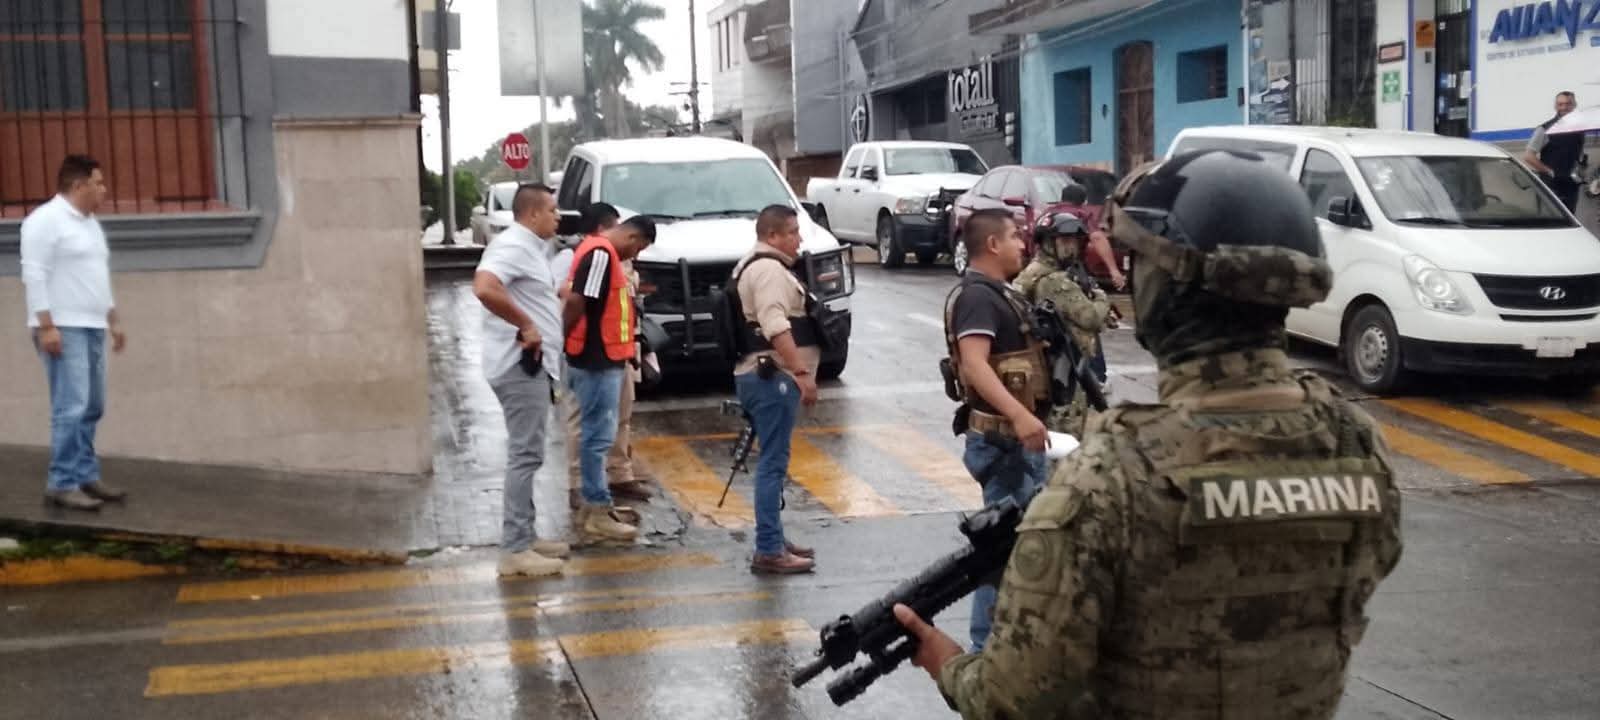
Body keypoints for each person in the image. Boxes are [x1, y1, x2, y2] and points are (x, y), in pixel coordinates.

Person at [894, 150, 1405, 718]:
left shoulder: (1112, 478)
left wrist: (944, 660)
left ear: (1165, 287)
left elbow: (1012, 698)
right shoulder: (1356, 444)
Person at [942, 208, 1051, 650]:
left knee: (1020, 549)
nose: (1022, 244)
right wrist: (1019, 415)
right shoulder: (977, 298)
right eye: (1014, 236)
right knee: (1002, 550)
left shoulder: (1000, 294)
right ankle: (984, 648)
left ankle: (1005, 645)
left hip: (1017, 442)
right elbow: (974, 364)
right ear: (992, 244)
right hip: (1004, 442)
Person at [473, 183, 572, 577]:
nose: (558, 217)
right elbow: (484, 287)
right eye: (552, 210)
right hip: (519, 364)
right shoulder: (514, 245)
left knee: (528, 452)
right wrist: (527, 324)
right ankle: (515, 548)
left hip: (532, 365)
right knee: (525, 454)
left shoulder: (530, 248)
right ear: (533, 214)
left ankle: (525, 536)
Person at [21, 155, 127, 512]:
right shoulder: (44, 221)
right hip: (63, 326)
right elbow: (34, 274)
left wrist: (113, 320)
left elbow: (97, 276)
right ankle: (61, 483)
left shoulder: (89, 224)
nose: (104, 189)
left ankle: (84, 474)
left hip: (92, 324)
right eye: (98, 183)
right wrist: (47, 326)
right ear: (79, 185)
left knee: (92, 405)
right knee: (71, 406)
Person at [729, 205, 821, 575]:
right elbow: (774, 325)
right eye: (793, 232)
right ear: (772, 236)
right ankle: (768, 549)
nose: (799, 239)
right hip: (772, 378)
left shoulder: (758, 265)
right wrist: (801, 372)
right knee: (772, 463)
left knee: (774, 460)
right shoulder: (768, 269)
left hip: (765, 377)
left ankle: (775, 538)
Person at [562, 212, 656, 546]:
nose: (636, 254)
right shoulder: (601, 254)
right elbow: (578, 302)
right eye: (639, 248)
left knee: (597, 435)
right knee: (597, 437)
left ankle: (596, 505)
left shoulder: (597, 251)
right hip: (596, 360)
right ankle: (597, 510)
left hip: (600, 357)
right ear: (632, 237)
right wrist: (563, 339)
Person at [1014, 210, 1113, 438]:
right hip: (1063, 366)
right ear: (1049, 243)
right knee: (1067, 434)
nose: (1072, 248)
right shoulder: (1054, 280)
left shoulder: (1033, 272)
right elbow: (1090, 317)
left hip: (1047, 365)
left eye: (1074, 242)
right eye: (1065, 241)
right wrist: (1101, 299)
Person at [1055, 184, 1125, 291]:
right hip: (1067, 269)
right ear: (1083, 201)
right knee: (1095, 298)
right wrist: (1114, 271)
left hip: (1039, 269)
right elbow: (1097, 238)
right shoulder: (1080, 214)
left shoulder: (1046, 213)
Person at [1524, 91, 1585, 212]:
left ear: (1574, 105)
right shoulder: (1545, 129)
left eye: (1568, 104)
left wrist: (1580, 169)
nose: (1564, 107)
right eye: (1560, 104)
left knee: (1570, 218)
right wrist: (1550, 171)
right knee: (1551, 219)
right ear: (1555, 106)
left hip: (1571, 185)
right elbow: (1528, 156)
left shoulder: (1580, 128)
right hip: (1551, 186)